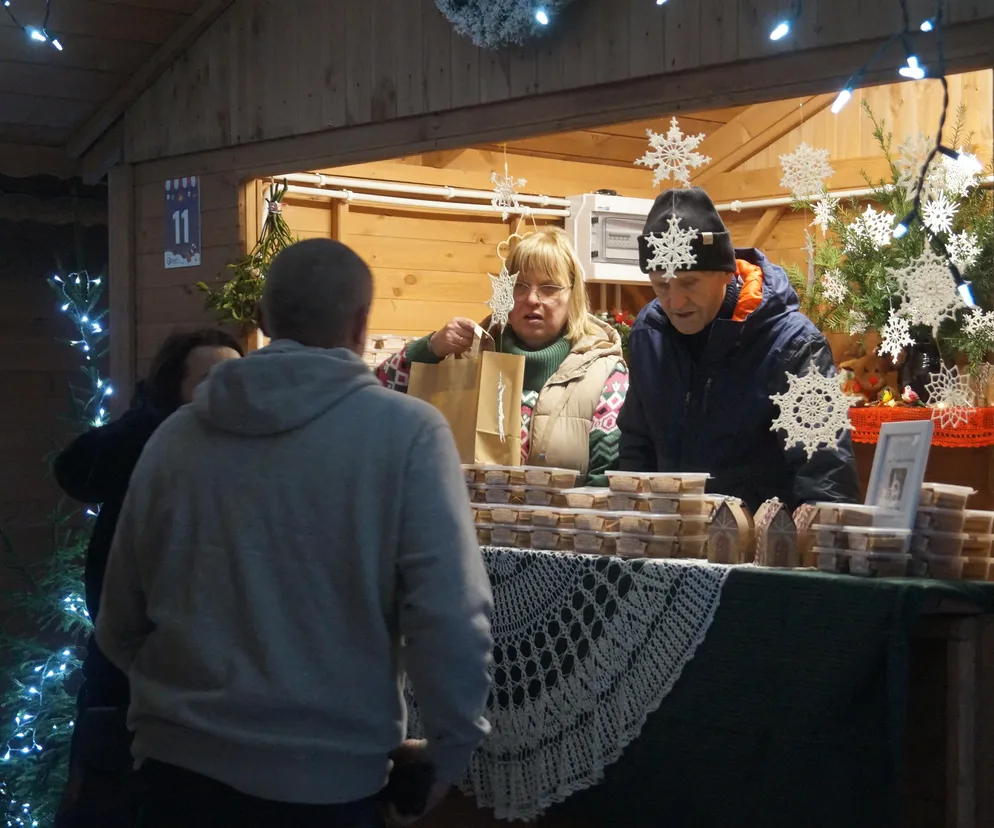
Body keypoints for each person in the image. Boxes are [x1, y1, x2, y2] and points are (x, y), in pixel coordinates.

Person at [95, 238, 493, 828]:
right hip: (329, 782)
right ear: (361, 323)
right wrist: (450, 753)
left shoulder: (176, 437)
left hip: (174, 774)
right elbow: (449, 616)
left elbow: (119, 619)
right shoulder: (407, 435)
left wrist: (190, 712)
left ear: (262, 318)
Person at [53, 328, 243, 828]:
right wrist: (154, 421)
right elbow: (74, 470)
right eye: (209, 380)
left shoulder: (245, 453)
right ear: (173, 388)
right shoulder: (146, 439)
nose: (225, 392)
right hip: (127, 668)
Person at [618, 187, 860, 512]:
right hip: (671, 536)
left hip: (764, 540)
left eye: (689, 283)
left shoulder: (794, 346)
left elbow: (827, 474)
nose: (675, 302)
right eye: (661, 285)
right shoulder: (649, 336)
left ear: (726, 272)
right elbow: (636, 447)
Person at [377, 227, 629, 484]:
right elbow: (377, 396)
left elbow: (608, 481)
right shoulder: (467, 355)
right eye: (520, 286)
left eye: (549, 288)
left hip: (562, 512)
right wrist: (429, 349)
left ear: (572, 295)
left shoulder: (605, 373)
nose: (532, 299)